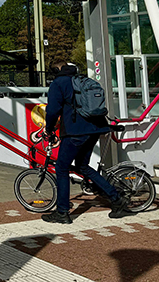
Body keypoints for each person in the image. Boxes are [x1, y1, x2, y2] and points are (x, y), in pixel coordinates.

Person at [41, 61, 130, 224]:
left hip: (76, 131)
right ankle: (117, 200)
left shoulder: (58, 83)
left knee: (61, 168)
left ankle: (62, 212)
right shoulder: (82, 79)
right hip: (95, 129)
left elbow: (53, 110)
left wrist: (49, 128)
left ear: (55, 70)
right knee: (83, 166)